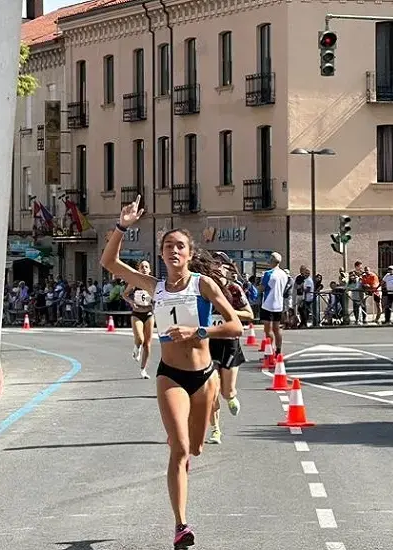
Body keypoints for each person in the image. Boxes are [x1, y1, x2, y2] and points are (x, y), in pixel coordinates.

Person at [100, 196, 243, 549]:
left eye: (179, 246)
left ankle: (195, 436)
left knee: (194, 447)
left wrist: (200, 332)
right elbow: (109, 262)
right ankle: (181, 526)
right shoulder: (155, 286)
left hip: (204, 376)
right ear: (162, 255)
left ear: (189, 253)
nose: (173, 251)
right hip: (171, 375)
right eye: (168, 247)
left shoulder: (203, 285)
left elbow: (236, 325)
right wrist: (122, 226)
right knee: (178, 449)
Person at [206, 253, 254, 444]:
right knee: (210, 390)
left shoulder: (234, 289)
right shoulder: (204, 288)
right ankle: (216, 430)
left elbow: (249, 314)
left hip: (229, 342)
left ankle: (231, 396)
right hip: (209, 343)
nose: (217, 268)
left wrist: (228, 312)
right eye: (213, 265)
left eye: (220, 265)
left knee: (227, 391)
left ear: (226, 268)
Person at [123, 260, 155, 378]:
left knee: (148, 344)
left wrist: (155, 304)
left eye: (147, 266)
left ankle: (143, 369)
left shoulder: (153, 283)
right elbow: (124, 294)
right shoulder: (134, 282)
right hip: (137, 313)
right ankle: (137, 347)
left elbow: (160, 297)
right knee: (140, 339)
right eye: (142, 267)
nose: (144, 269)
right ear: (139, 269)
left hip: (149, 313)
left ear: (150, 269)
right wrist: (131, 302)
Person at [259, 252, 290, 354]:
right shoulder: (284, 274)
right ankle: (278, 350)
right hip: (279, 304)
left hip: (268, 304)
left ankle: (270, 351)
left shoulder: (268, 274)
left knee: (268, 330)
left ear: (271, 261)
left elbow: (262, 289)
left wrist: (258, 286)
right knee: (277, 328)